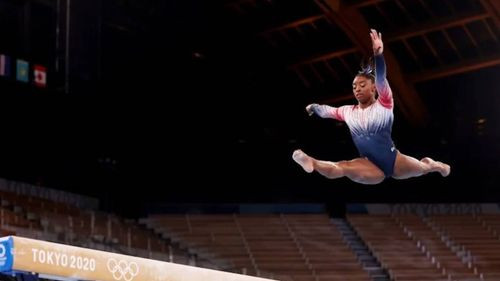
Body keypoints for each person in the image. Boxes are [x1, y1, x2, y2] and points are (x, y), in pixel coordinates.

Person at [292, 29, 450, 185]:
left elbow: (381, 78)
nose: (357, 89)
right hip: (369, 165)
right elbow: (327, 111)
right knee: (343, 167)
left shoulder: (385, 103)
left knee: (423, 168)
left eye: (362, 85)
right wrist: (314, 107)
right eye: (354, 87)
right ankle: (311, 162)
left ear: (374, 88)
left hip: (394, 161)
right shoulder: (348, 112)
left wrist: (378, 55)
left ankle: (436, 165)